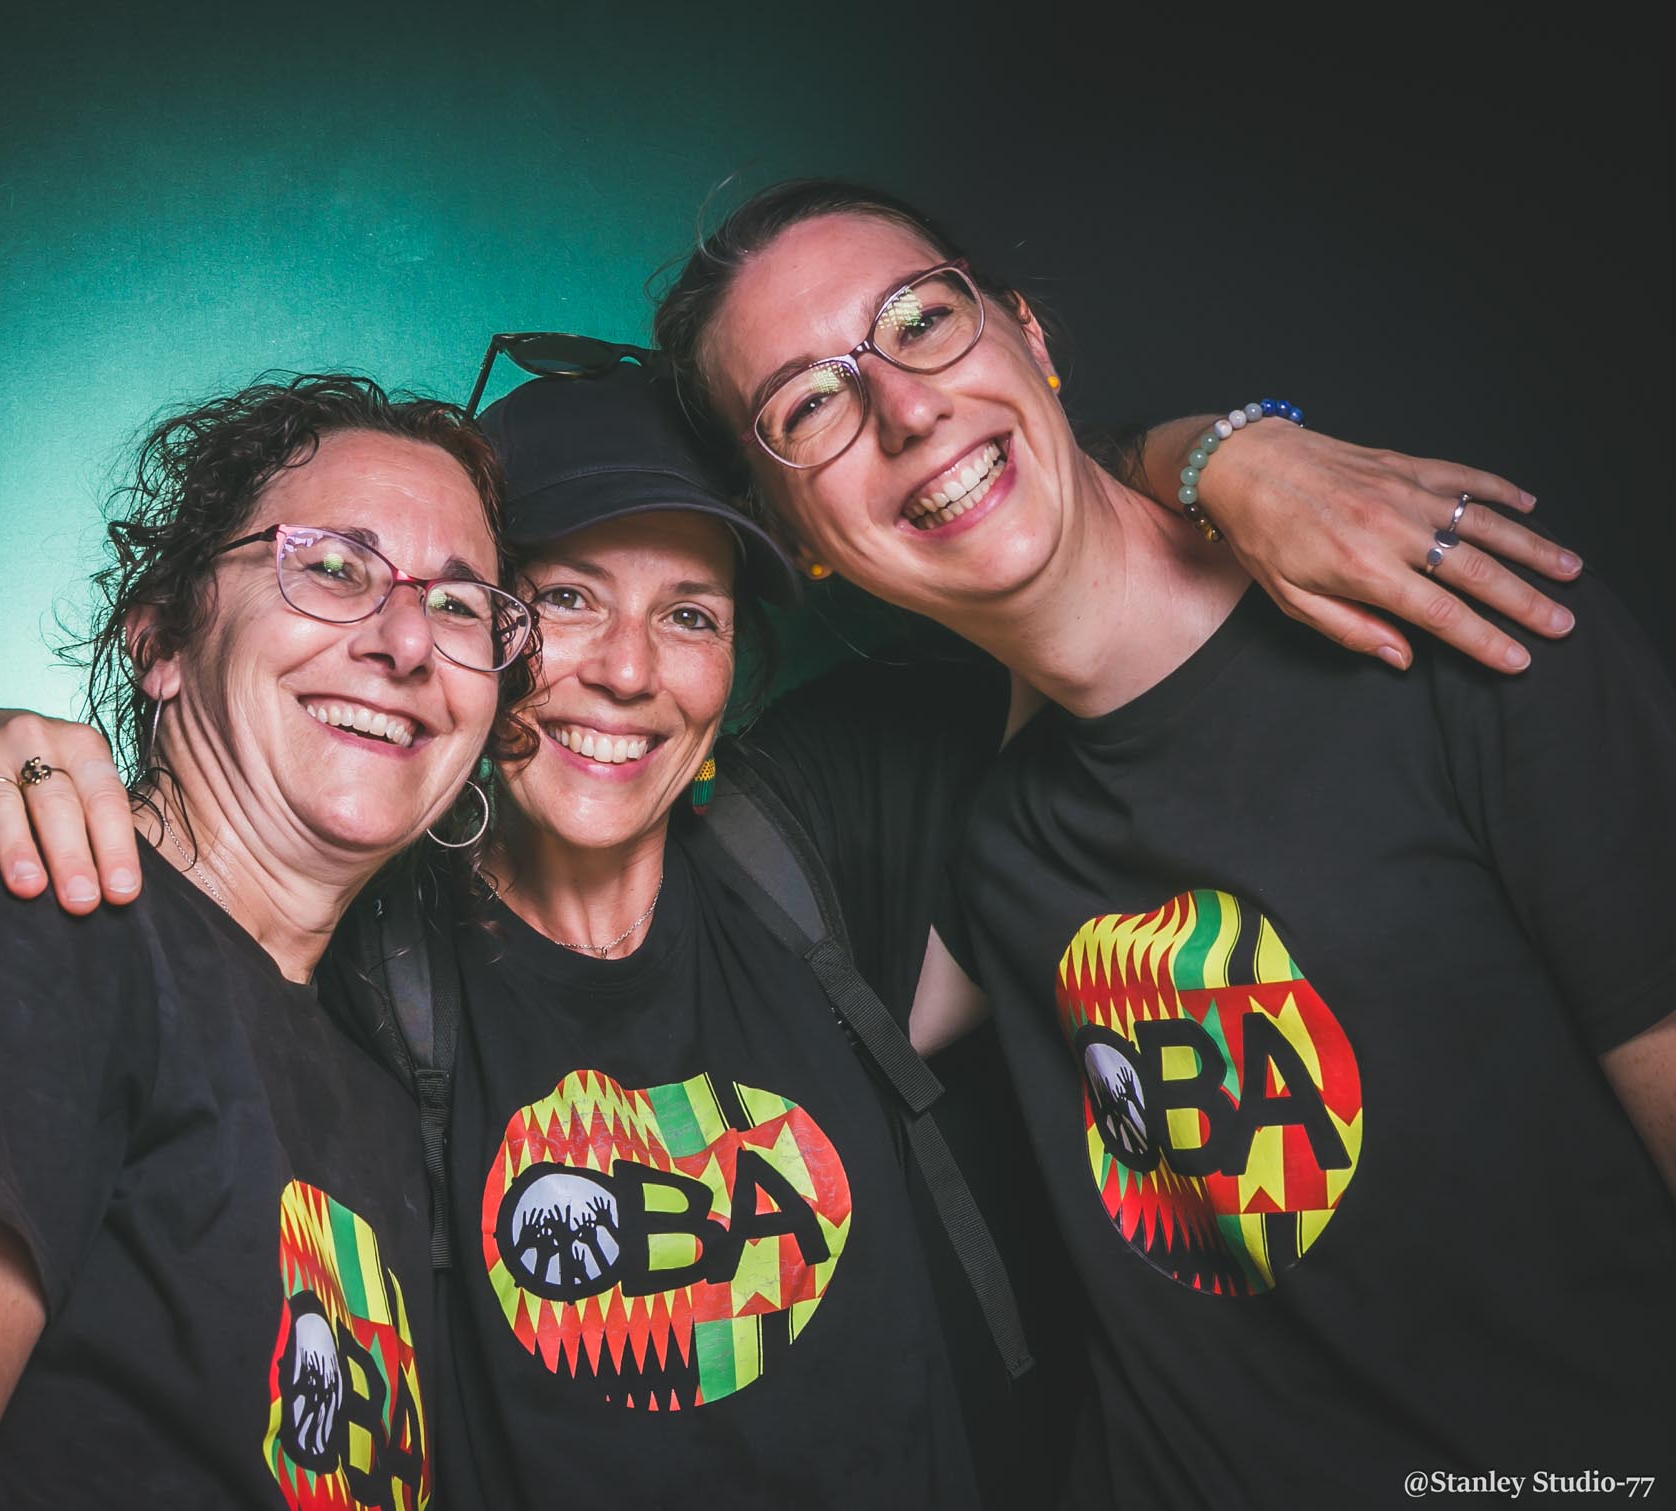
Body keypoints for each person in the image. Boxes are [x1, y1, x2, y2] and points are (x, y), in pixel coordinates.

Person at [0, 342, 1584, 1506]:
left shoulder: (816, 854)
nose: (621, 670)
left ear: (742, 668)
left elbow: (1056, 571)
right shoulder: (354, 943)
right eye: (562, 599)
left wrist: (1220, 454)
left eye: (691, 613)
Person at [646, 178, 1676, 1506]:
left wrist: (1225, 452)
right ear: (797, 540)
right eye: (807, 407)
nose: (904, 408)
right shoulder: (967, 828)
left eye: (921, 321)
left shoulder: (1453, 627)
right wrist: (1209, 452)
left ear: (1027, 332)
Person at [0, 373, 539, 1509]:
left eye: (458, 604)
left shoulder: (384, 1095)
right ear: (163, 643)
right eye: (335, 567)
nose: (405, 641)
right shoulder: (31, 907)